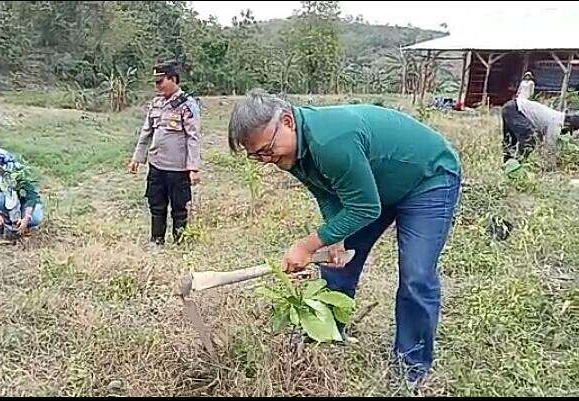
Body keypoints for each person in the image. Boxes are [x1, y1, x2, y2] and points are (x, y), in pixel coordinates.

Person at [227, 90, 462, 385]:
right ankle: (326, 334)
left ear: (287, 121)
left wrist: (307, 245)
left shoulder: (329, 141)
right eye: (256, 156)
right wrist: (332, 237)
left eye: (266, 149)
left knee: (416, 274)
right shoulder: (290, 150)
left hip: (428, 179)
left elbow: (365, 207)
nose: (265, 159)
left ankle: (411, 367)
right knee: (337, 263)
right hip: (375, 185)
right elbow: (324, 190)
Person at [127, 61, 202, 245]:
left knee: (179, 208)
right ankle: (157, 240)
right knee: (156, 205)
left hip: (178, 168)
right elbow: (146, 132)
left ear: (173, 79)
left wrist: (193, 168)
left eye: (161, 81)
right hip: (156, 165)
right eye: (155, 82)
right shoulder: (156, 104)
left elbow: (193, 137)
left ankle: (180, 242)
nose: (157, 86)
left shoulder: (187, 105)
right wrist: (137, 158)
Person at [0, 148, 44, 238]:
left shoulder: (20, 174)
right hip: (9, 203)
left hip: (26, 204)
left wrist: (26, 217)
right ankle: (7, 221)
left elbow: (31, 196)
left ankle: (28, 227)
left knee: (35, 219)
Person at [501, 97, 579, 168]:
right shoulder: (556, 124)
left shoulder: (556, 116)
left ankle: (508, 165)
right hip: (516, 109)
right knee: (529, 140)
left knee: (511, 142)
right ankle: (518, 165)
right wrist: (551, 166)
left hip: (512, 107)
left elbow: (540, 137)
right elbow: (550, 148)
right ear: (568, 125)